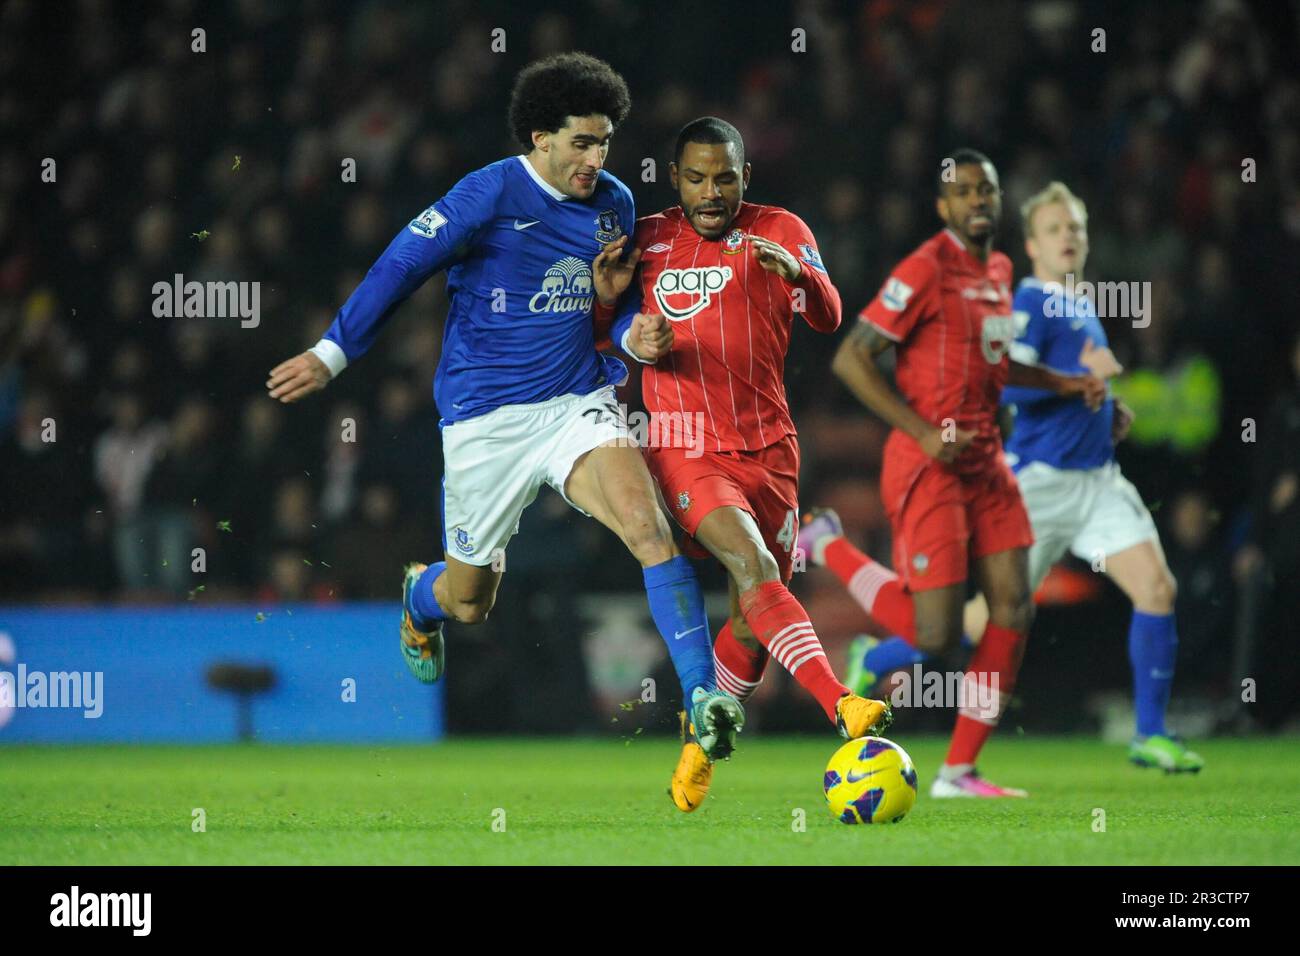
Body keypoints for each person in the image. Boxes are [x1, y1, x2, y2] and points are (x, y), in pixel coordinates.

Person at [265, 53, 744, 781]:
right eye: (581, 142)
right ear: (539, 138)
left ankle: (702, 696)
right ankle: (419, 598)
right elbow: (399, 267)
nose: (595, 158)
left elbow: (613, 310)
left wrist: (632, 331)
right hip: (484, 419)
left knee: (649, 529)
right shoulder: (485, 195)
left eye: (605, 141)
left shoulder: (614, 205)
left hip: (575, 402)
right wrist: (333, 353)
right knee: (469, 602)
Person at [805, 181, 1202, 772]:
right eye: (1054, 229)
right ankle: (882, 654)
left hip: (1098, 481)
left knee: (1157, 589)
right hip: (1039, 482)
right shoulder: (1031, 302)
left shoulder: (1084, 305)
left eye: (1075, 227)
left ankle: (1149, 733)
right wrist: (1071, 394)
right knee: (976, 624)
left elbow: (1069, 384)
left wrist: (1106, 412)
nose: (1067, 237)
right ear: (1034, 245)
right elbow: (1005, 381)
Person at [602, 117, 892, 811]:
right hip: (684, 444)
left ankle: (698, 745)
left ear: (744, 177)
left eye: (724, 178)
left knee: (747, 627)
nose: (711, 193)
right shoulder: (646, 239)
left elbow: (828, 315)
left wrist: (799, 277)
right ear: (675, 179)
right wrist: (630, 335)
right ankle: (842, 706)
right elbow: (598, 321)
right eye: (696, 179)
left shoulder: (782, 229)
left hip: (770, 449)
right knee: (755, 564)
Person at [821, 151, 1105, 797]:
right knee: (937, 634)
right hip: (929, 463)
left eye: (988, 190)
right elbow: (852, 358)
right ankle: (829, 548)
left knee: (1013, 607)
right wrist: (922, 431)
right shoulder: (926, 267)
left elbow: (997, 367)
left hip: (986, 463)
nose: (978, 200)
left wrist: (1061, 382)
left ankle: (958, 770)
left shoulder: (1001, 270)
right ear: (943, 206)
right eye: (965, 192)